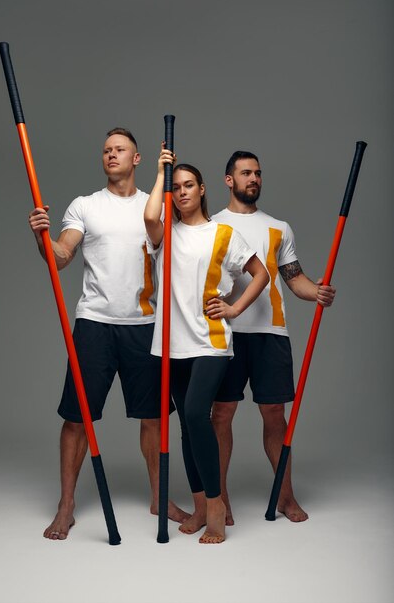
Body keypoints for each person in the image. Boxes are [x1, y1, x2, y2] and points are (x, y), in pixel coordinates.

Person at [28, 128, 189, 541]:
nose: (111, 154)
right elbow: (61, 256)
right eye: (106, 150)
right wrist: (42, 238)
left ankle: (159, 496)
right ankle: (66, 505)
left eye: (120, 150)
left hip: (144, 326)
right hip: (95, 325)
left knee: (154, 418)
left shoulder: (154, 207)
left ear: (137, 160)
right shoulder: (85, 206)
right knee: (77, 419)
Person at [144, 146, 269, 543]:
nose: (181, 192)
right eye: (175, 187)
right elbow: (150, 214)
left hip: (211, 342)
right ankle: (199, 505)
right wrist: (162, 170)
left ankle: (215, 504)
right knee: (185, 425)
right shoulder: (165, 234)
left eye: (188, 185)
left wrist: (232, 309)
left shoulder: (223, 234)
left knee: (198, 414)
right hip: (171, 343)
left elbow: (260, 274)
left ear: (202, 189)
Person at [211, 151, 336, 525]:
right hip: (226, 333)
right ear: (228, 180)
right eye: (246, 173)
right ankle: (221, 499)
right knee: (221, 415)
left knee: (275, 418)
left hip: (271, 333)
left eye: (258, 173)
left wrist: (317, 292)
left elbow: (293, 278)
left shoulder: (279, 227)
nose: (254, 179)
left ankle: (286, 495)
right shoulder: (213, 225)